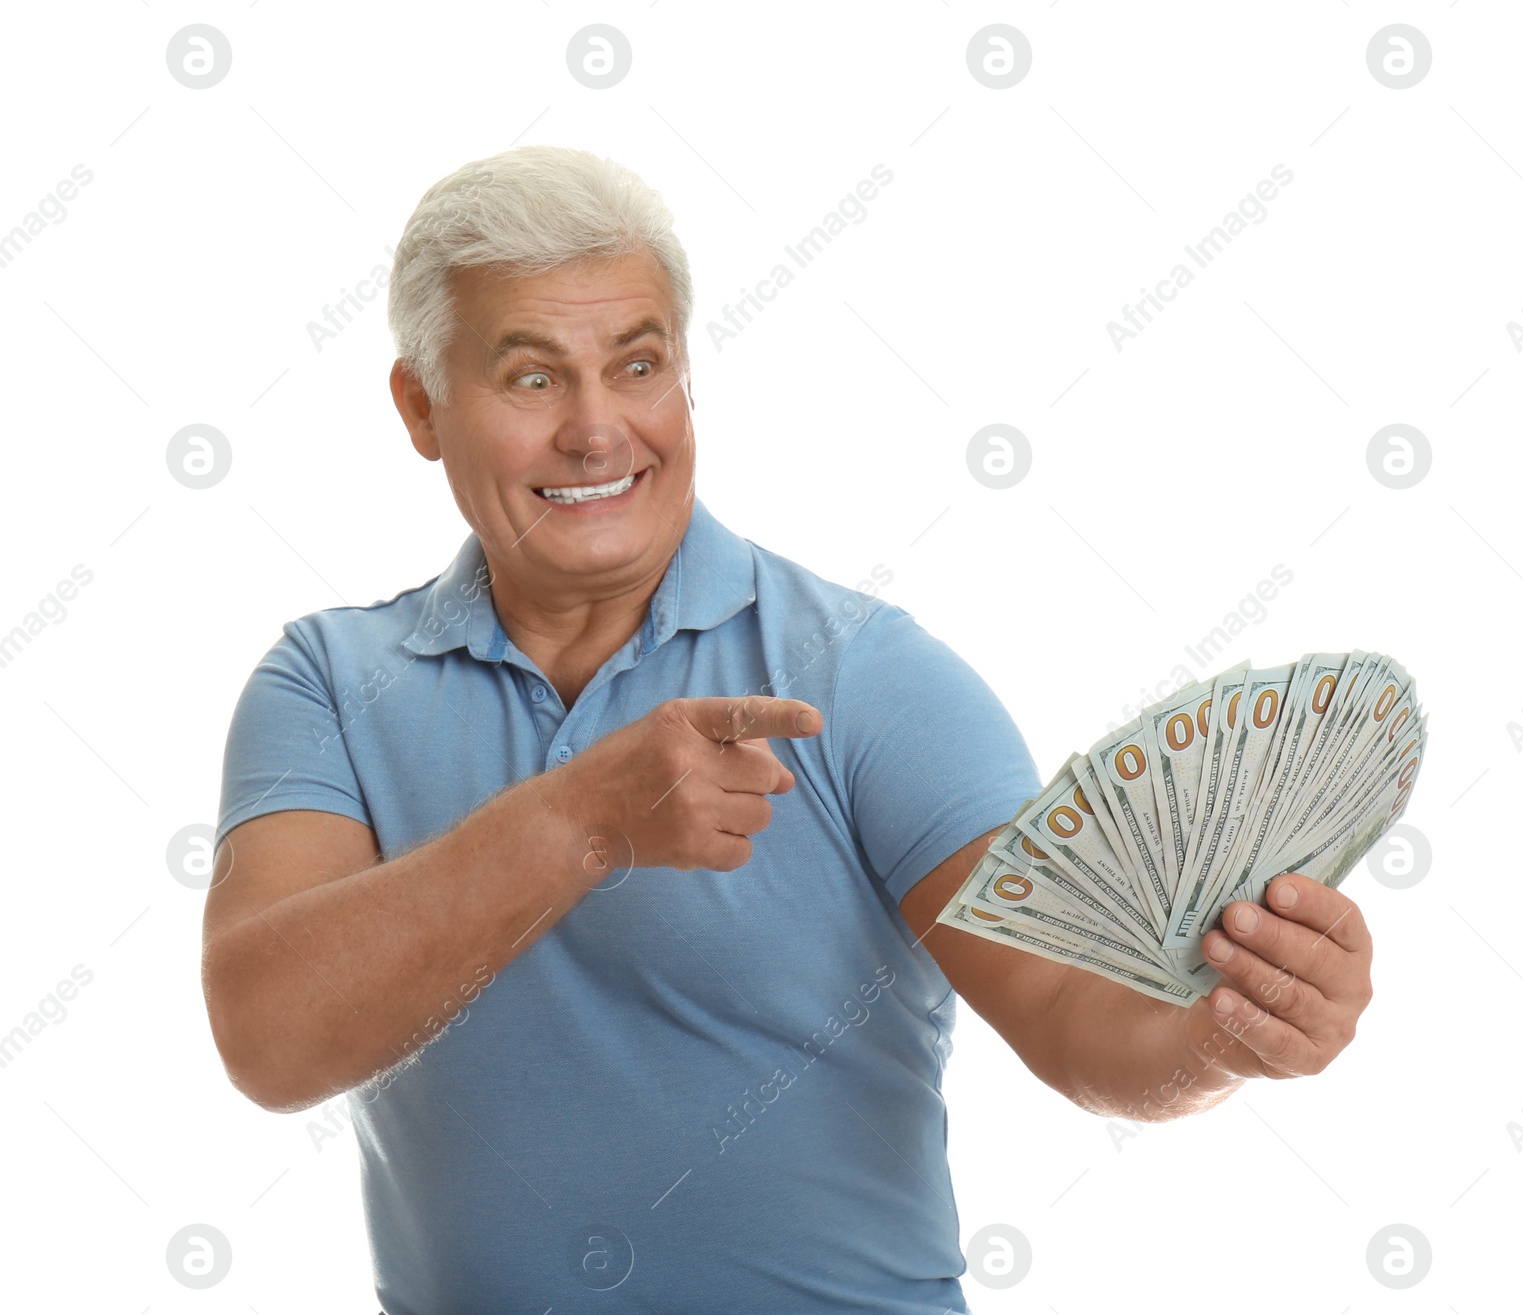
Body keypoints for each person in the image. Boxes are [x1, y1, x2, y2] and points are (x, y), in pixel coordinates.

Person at [201, 145, 1375, 1314]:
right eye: (530, 377)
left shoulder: (863, 678)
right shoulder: (327, 685)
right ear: (420, 403)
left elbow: (1079, 1020)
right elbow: (271, 1037)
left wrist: (1230, 1034)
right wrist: (582, 821)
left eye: (639, 364)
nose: (599, 431)